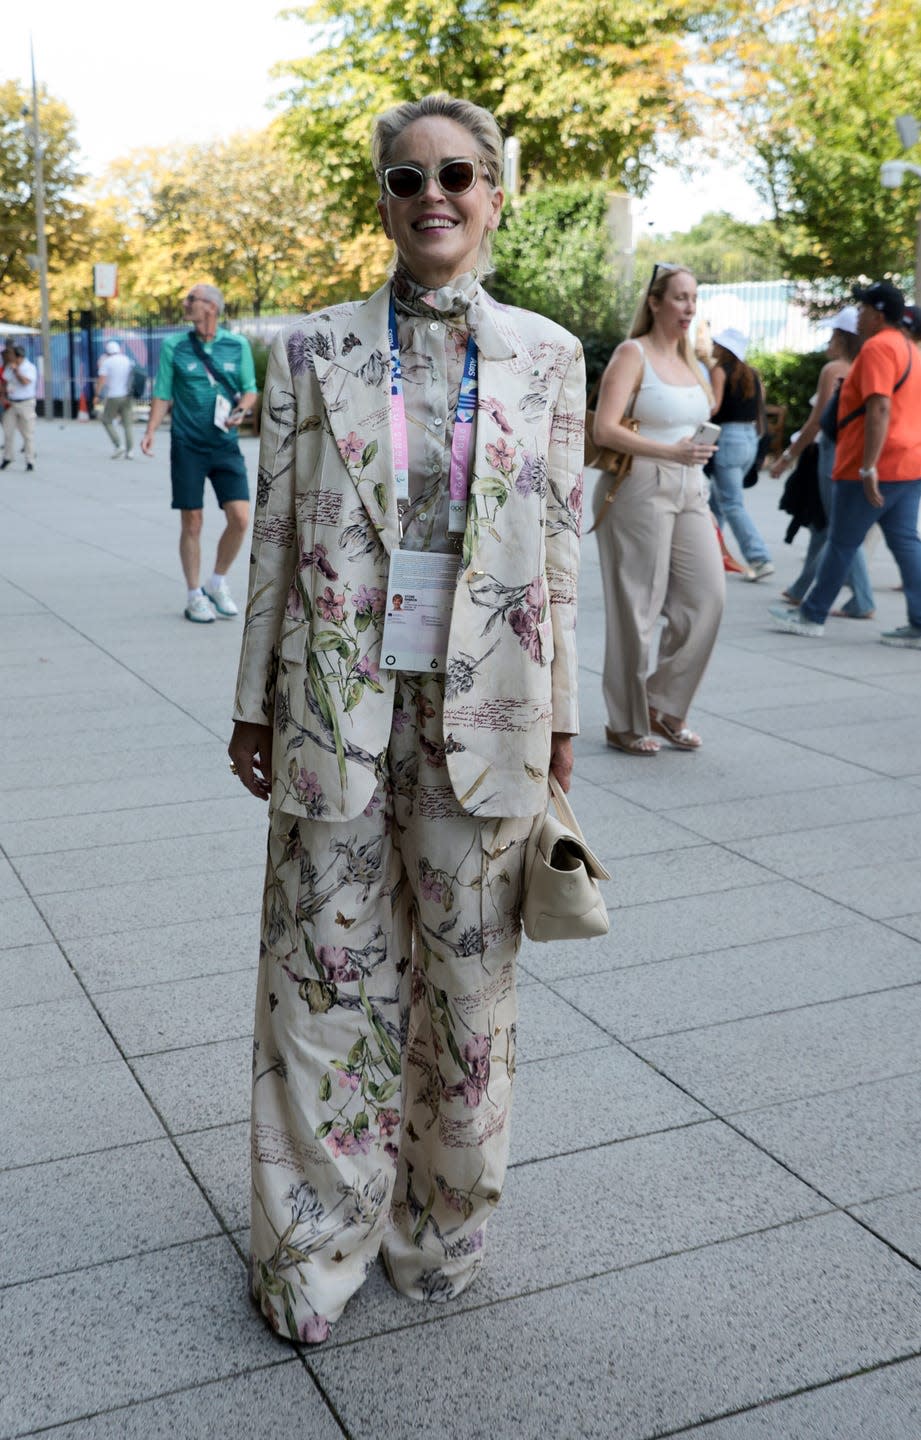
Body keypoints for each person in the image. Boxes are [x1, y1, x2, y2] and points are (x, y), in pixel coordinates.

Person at [227, 93, 584, 1344]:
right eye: (405, 177)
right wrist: (252, 702)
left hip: (488, 718)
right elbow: (273, 535)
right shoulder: (312, 349)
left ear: (494, 193)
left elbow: (557, 556)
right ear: (379, 198)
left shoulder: (546, 353)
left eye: (457, 173)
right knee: (322, 989)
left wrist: (565, 729)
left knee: (469, 993)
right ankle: (314, 1248)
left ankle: (441, 1229)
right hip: (335, 706)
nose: (431, 194)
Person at [591, 262, 724, 755]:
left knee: (707, 598)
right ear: (655, 302)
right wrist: (671, 452)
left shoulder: (693, 360)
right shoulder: (634, 353)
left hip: (692, 487)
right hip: (641, 484)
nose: (689, 307)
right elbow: (604, 429)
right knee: (637, 609)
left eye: (693, 298)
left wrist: (691, 455)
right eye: (679, 297)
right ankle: (625, 721)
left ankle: (665, 705)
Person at [770, 280, 921, 648]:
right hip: (907, 462)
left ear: (878, 313)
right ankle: (919, 623)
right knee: (905, 542)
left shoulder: (878, 348)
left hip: (871, 465)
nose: (859, 316)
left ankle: (811, 615)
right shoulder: (911, 349)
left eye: (864, 309)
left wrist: (868, 467)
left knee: (841, 541)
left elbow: (879, 407)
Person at [140, 283, 256, 623]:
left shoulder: (237, 345)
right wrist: (150, 431)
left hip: (225, 444)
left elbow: (249, 390)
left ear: (212, 307)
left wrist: (242, 411)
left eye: (192, 299)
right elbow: (162, 392)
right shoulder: (174, 346)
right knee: (192, 521)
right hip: (187, 445)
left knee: (240, 518)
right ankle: (194, 595)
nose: (186, 304)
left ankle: (217, 582)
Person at [771, 306, 873, 617]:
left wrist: (787, 456)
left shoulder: (834, 371)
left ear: (842, 338)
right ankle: (802, 588)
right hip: (852, 451)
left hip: (830, 453)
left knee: (839, 528)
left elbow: (817, 422)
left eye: (832, 334)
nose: (828, 340)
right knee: (824, 523)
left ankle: (862, 599)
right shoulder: (864, 367)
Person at [707, 328, 773, 580]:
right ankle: (711, 555)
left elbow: (714, 407)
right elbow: (759, 414)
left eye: (716, 343)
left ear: (724, 348)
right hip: (749, 440)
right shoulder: (751, 374)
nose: (713, 346)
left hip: (728, 439)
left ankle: (759, 557)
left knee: (731, 503)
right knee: (718, 503)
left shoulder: (719, 371)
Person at [1, 343, 38, 472]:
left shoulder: (29, 368)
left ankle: (30, 460)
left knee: (27, 433)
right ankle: (7, 457)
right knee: (8, 432)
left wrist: (16, 371)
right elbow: (4, 380)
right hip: (12, 403)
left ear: (19, 357)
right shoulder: (9, 367)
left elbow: (25, 382)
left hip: (26, 404)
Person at [95, 340, 135, 459]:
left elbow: (102, 380)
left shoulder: (107, 362)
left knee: (106, 420)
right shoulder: (126, 360)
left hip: (113, 395)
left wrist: (97, 395)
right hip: (127, 395)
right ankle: (130, 451)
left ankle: (118, 445)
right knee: (127, 424)